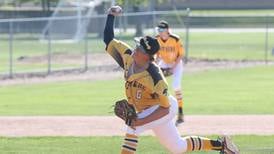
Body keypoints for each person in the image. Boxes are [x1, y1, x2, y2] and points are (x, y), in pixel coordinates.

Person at [103, 6, 239, 154]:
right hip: (149, 109)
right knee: (178, 147)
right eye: (137, 45)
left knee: (133, 127)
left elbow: (165, 108)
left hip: (163, 108)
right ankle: (221, 145)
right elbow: (108, 40)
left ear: (147, 56)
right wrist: (111, 15)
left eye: (140, 49)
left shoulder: (156, 77)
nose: (135, 49)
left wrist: (141, 121)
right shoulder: (128, 57)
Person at [155, 20, 185, 125]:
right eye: (159, 30)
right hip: (164, 63)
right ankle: (160, 111)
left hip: (176, 63)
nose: (160, 32)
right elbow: (158, 56)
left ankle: (180, 113)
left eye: (162, 30)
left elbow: (181, 55)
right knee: (157, 84)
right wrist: (155, 66)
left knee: (176, 86)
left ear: (167, 30)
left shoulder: (175, 39)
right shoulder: (157, 39)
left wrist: (173, 68)